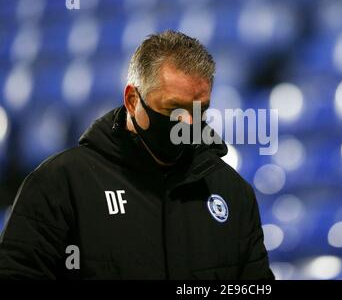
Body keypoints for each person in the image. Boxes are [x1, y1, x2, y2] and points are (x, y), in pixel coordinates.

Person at [0, 30, 274, 280]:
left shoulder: (233, 193)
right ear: (132, 100)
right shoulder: (61, 185)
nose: (188, 124)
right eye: (174, 110)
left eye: (199, 110)